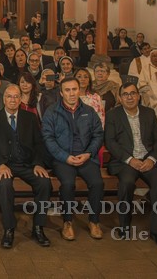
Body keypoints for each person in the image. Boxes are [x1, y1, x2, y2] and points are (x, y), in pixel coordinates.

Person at [0, 84, 52, 249]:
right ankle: (9, 229)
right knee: (4, 184)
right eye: (9, 96)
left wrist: (38, 164)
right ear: (4, 99)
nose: (13, 100)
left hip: (27, 164)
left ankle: (38, 227)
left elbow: (38, 143)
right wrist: (0, 165)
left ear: (21, 99)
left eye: (16, 96)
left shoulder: (30, 118)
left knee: (44, 182)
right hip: (5, 164)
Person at [106, 79, 157, 247]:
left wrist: (151, 159)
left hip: (148, 159)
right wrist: (130, 160)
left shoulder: (149, 113)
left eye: (133, 93)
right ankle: (124, 227)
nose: (129, 97)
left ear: (138, 96)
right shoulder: (113, 115)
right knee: (126, 183)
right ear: (120, 98)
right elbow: (110, 142)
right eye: (125, 94)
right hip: (126, 161)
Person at [41, 76, 104, 241]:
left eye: (74, 89)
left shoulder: (89, 111)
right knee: (68, 184)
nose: (71, 93)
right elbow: (48, 138)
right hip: (63, 159)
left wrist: (88, 153)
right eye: (67, 90)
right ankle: (67, 222)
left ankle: (94, 221)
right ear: (61, 93)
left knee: (97, 183)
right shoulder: (52, 112)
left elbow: (98, 135)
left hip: (86, 157)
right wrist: (65, 157)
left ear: (79, 91)